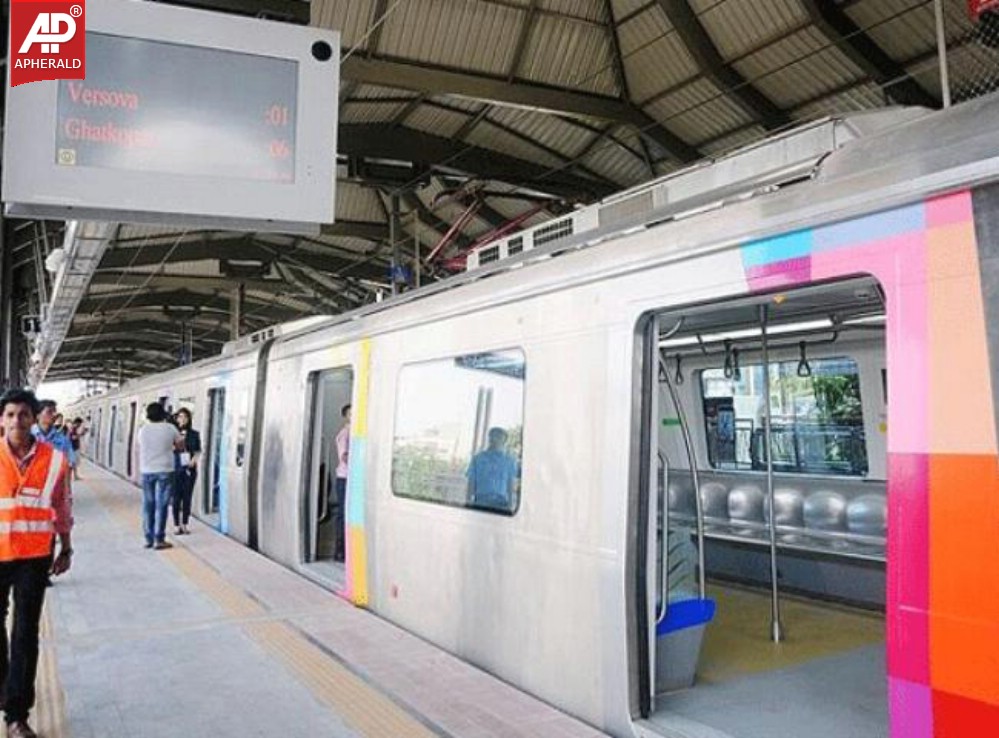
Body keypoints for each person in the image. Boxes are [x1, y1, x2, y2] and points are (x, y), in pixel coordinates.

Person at [0, 388, 73, 738]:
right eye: (10, 414)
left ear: (34, 418)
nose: (17, 421)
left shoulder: (55, 459)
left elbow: (62, 506)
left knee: (26, 633)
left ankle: (16, 715)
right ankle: (6, 688)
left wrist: (66, 547)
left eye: (23, 414)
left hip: (33, 555)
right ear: (2, 419)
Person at [135, 403, 182, 550]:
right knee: (162, 505)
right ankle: (159, 539)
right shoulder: (170, 428)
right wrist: (171, 446)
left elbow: (141, 445)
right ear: (163, 414)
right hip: (166, 470)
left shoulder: (143, 430)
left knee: (148, 505)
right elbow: (180, 446)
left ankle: (148, 538)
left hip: (147, 470)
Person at [466, 427, 519, 511]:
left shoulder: (510, 461)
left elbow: (510, 484)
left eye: (499, 437)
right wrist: (468, 502)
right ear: (489, 438)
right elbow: (471, 482)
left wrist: (510, 505)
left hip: (501, 504)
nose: (495, 439)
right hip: (480, 503)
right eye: (493, 436)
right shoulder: (478, 459)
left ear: (504, 441)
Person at [172, 408, 201, 536]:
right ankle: (176, 525)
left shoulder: (194, 434)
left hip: (190, 469)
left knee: (187, 497)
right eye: (180, 416)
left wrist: (194, 460)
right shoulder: (172, 433)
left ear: (189, 419)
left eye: (185, 417)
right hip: (175, 469)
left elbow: (198, 450)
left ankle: (185, 524)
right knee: (176, 498)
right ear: (177, 418)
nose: (182, 419)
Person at [333, 404, 350, 562]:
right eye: (350, 413)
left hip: (347, 478)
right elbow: (344, 456)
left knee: (345, 514)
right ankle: (339, 551)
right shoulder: (345, 434)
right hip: (344, 478)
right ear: (346, 416)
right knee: (343, 514)